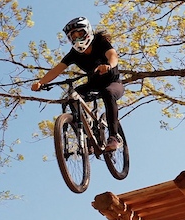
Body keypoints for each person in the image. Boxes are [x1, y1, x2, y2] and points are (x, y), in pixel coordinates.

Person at [31, 16, 124, 151]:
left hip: (113, 82)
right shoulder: (74, 54)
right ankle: (89, 133)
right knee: (73, 96)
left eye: (79, 34)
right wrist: (40, 82)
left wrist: (109, 65)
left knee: (108, 93)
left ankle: (114, 136)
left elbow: (113, 56)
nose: (77, 38)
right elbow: (56, 70)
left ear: (87, 31)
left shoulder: (100, 42)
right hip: (93, 84)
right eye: (72, 36)